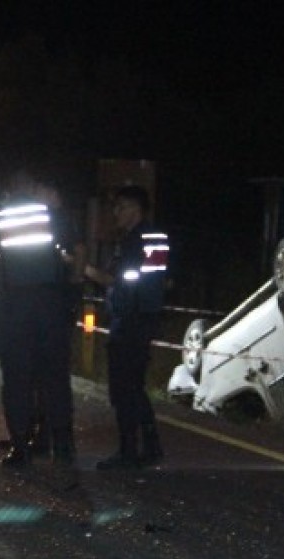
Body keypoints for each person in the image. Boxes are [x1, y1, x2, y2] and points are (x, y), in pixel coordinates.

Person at [0, 171, 81, 467]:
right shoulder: (51, 215)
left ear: (10, 189)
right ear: (31, 188)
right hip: (50, 303)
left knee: (17, 379)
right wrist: (74, 286)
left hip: (16, 305)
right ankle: (63, 445)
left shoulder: (0, 217)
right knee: (55, 377)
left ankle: (20, 446)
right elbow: (76, 249)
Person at [83, 185, 170, 469]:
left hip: (130, 319)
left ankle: (128, 451)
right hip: (146, 316)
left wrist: (81, 267)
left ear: (135, 209)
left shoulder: (134, 241)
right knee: (135, 386)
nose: (116, 213)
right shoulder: (157, 238)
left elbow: (114, 279)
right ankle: (151, 444)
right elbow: (163, 281)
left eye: (120, 207)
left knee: (122, 388)